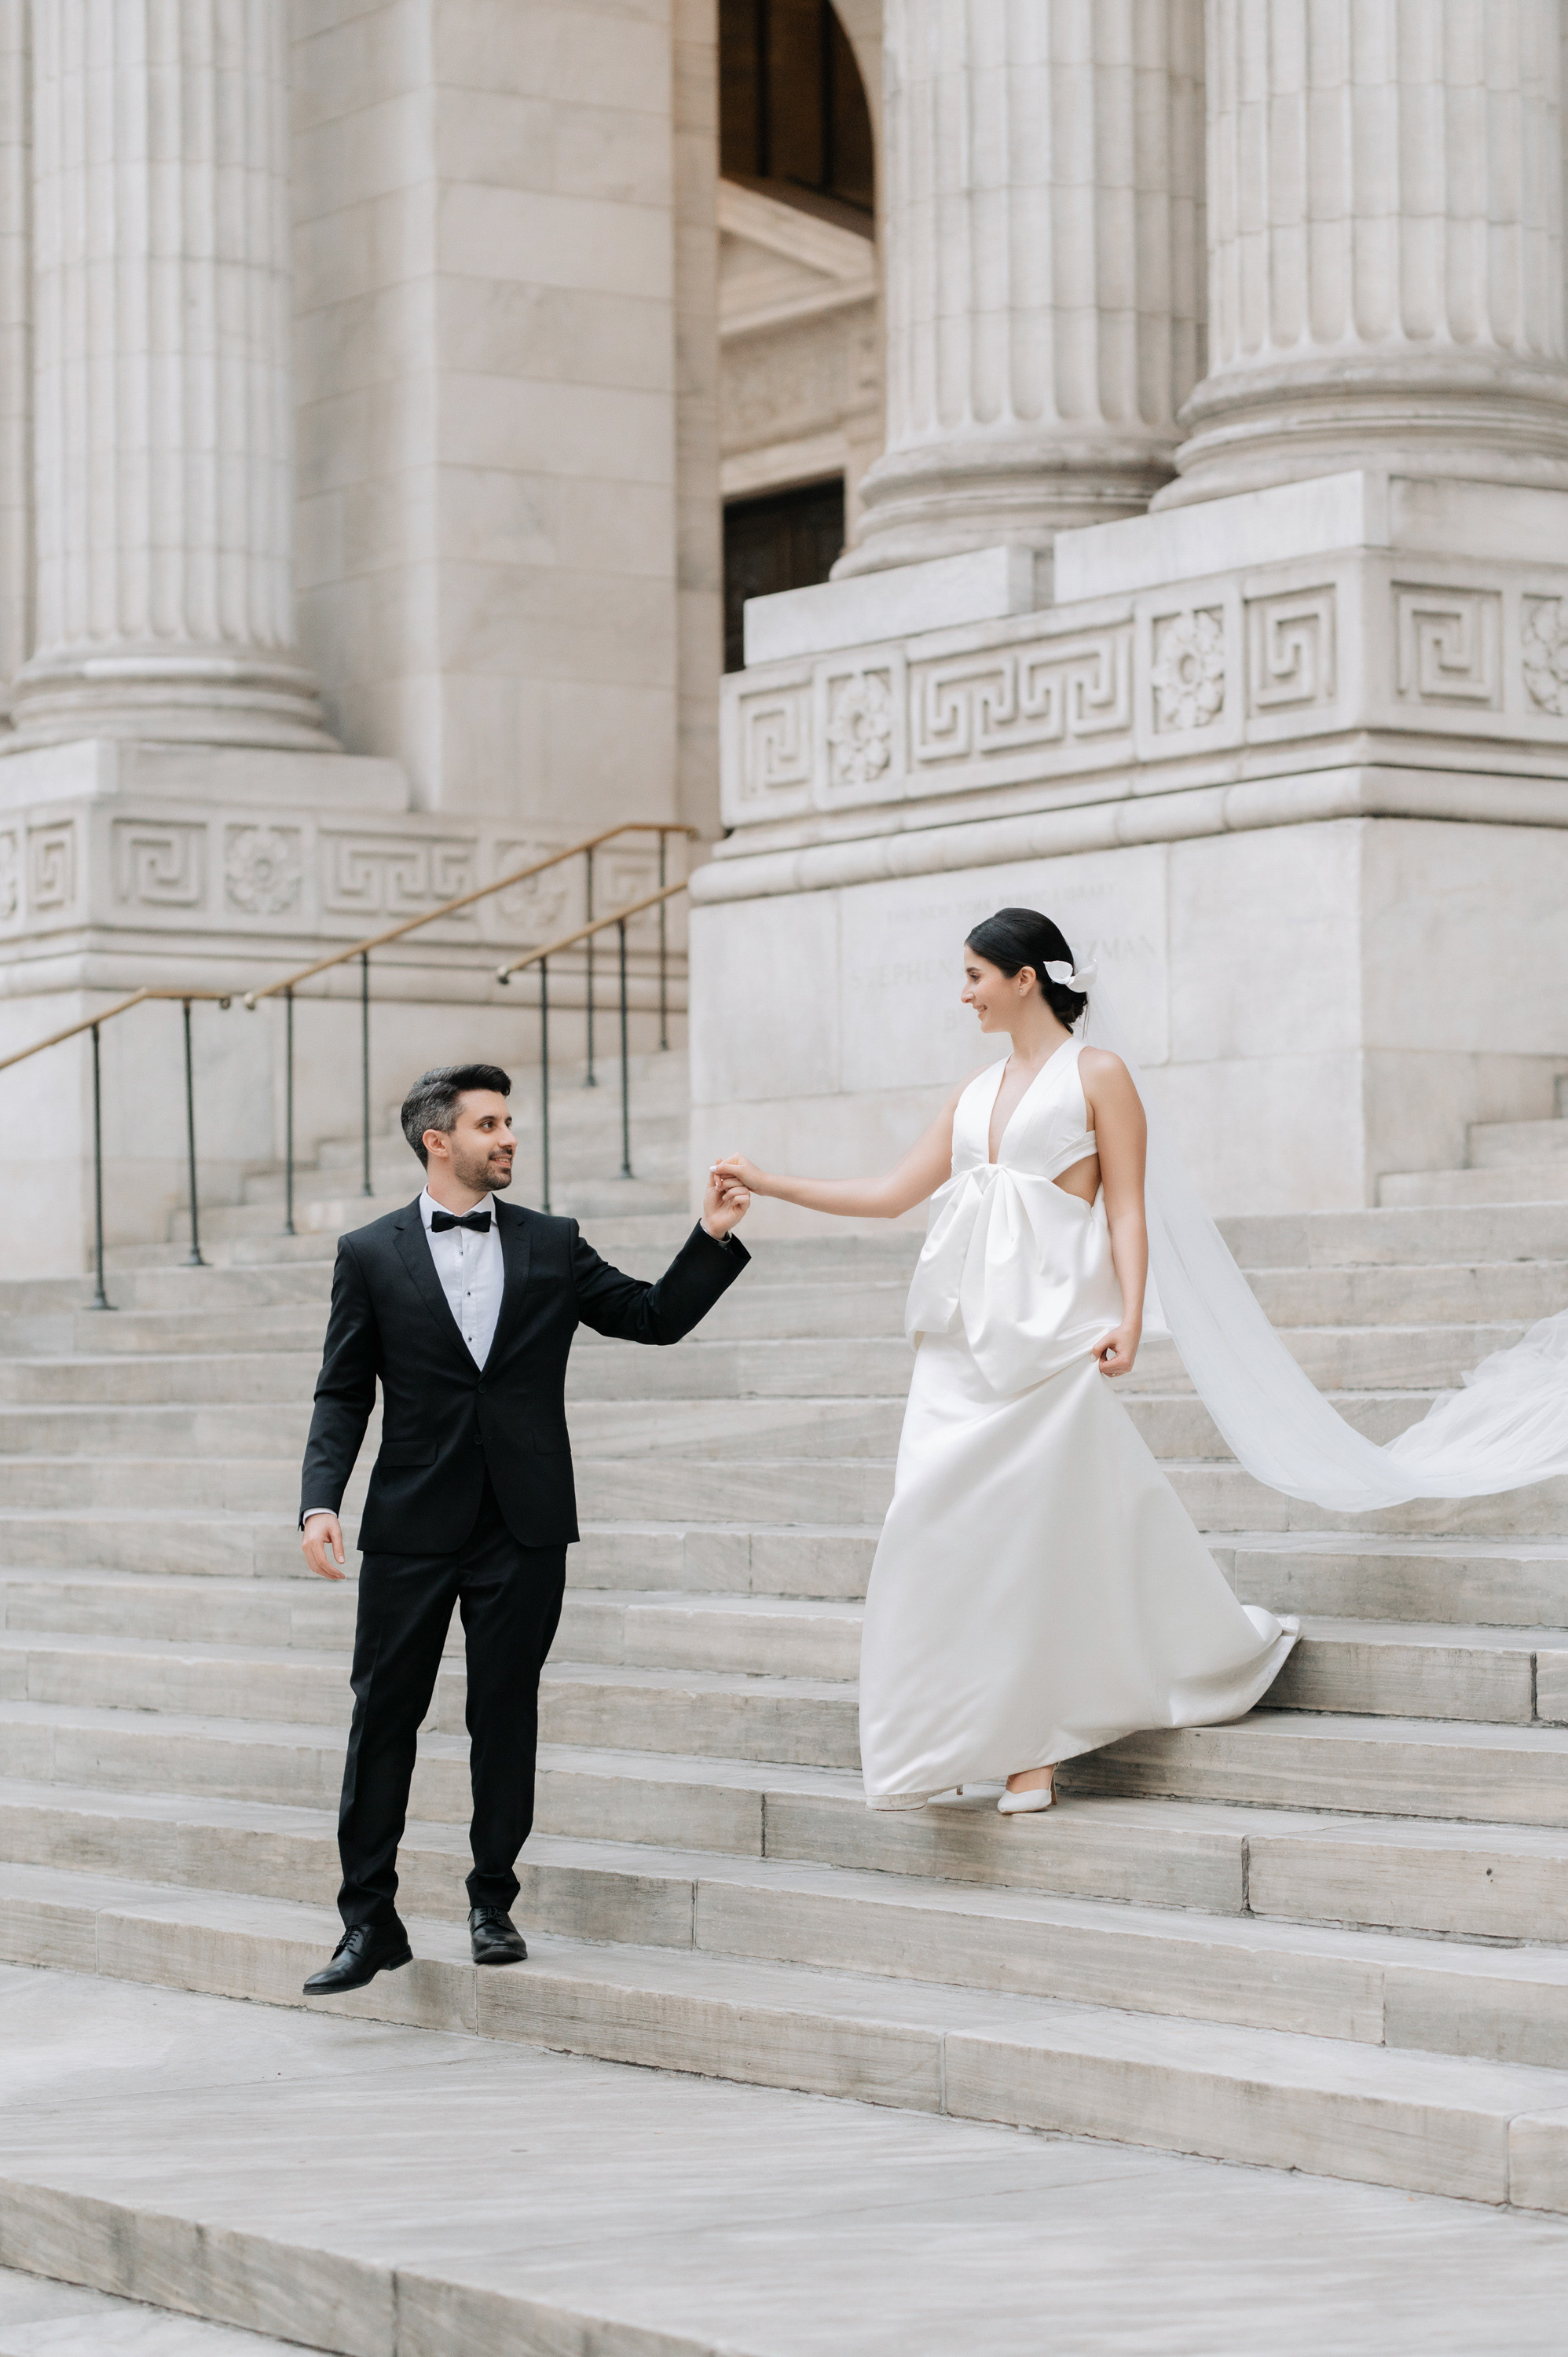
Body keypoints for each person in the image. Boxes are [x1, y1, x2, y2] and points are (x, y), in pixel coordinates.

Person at [714, 910, 1296, 1815]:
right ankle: (940, 1731)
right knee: (932, 1530)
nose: (965, 992)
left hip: (1051, 1337)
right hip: (958, 1343)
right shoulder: (974, 1091)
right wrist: (772, 1180)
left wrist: (1134, 1316)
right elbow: (890, 1193)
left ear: (1026, 977)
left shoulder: (1099, 1076)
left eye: (976, 974)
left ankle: (1032, 1750)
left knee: (1033, 1543)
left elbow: (1129, 1210)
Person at [298, 1061, 751, 1994]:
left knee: (505, 1718)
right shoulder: (370, 1253)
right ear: (438, 1140)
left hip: (524, 1522)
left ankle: (492, 1901)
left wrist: (709, 1236)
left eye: (510, 1122)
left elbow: (651, 1317)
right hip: (413, 1522)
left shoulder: (551, 1242)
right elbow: (343, 1393)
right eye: (489, 1124)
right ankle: (368, 1919)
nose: (508, 1138)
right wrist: (319, 1500)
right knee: (383, 1718)